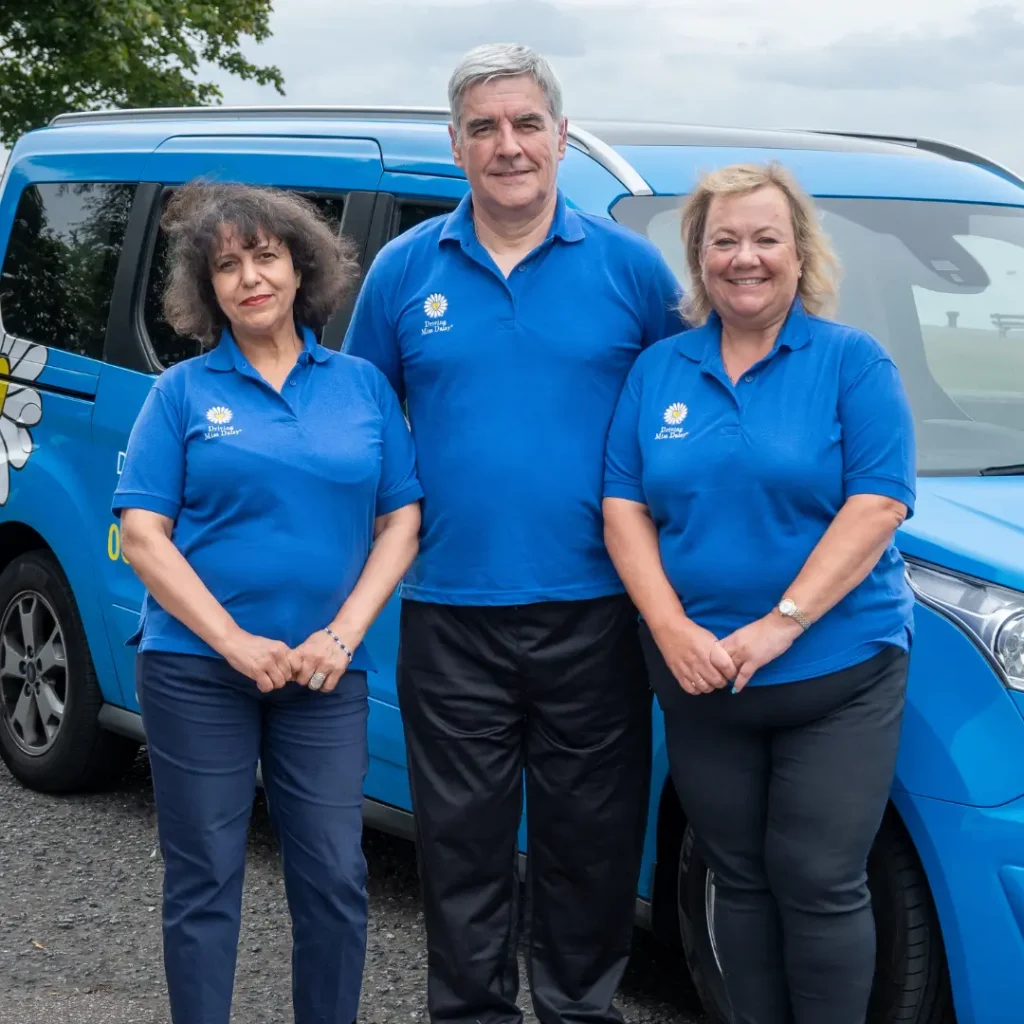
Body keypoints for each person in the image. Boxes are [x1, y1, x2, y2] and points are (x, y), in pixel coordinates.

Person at [344, 42, 683, 1024]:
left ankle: (579, 1009)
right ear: (456, 146)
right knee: (460, 846)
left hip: (598, 613)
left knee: (590, 844)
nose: (508, 145)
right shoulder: (405, 272)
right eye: (484, 128)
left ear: (561, 138)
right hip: (451, 615)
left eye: (526, 124)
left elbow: (687, 416)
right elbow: (358, 425)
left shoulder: (630, 271)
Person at [602, 161, 916, 1024]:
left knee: (818, 880)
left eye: (765, 238)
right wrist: (668, 628)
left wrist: (780, 624)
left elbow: (878, 501)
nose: (746, 258)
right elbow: (623, 506)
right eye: (723, 241)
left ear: (800, 251)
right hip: (701, 674)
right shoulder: (659, 370)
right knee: (735, 877)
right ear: (699, 259)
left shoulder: (853, 362)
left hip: (837, 673)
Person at [112, 182, 422, 1024]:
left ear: (300, 266)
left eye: (266, 256)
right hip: (194, 670)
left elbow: (402, 521)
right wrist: (234, 642)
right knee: (204, 875)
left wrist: (343, 633)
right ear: (206, 288)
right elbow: (144, 536)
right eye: (227, 265)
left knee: (333, 872)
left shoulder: (360, 388)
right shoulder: (178, 394)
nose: (250, 277)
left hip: (325, 675)